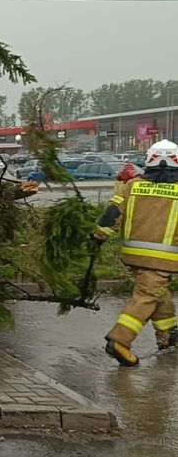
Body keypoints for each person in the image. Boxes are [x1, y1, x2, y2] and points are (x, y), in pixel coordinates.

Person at [93, 139, 178, 366]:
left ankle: (168, 335)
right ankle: (119, 340)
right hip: (164, 258)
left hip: (133, 255)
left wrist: (99, 237)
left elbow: (112, 213)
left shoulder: (132, 185)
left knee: (158, 292)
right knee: (147, 296)